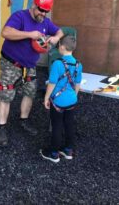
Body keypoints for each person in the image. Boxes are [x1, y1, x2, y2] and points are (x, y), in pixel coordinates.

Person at [0, 0, 64, 147]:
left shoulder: (45, 22)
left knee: (30, 93)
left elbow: (59, 31)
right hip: (11, 64)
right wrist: (29, 34)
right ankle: (1, 128)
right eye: (41, 10)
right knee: (6, 95)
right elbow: (5, 33)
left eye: (46, 11)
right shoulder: (19, 17)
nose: (43, 14)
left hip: (30, 66)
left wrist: (55, 37)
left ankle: (23, 120)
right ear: (34, 5)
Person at [40, 35, 83, 163]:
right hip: (71, 100)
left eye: (59, 45)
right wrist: (74, 96)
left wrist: (46, 98)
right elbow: (77, 83)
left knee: (57, 125)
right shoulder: (78, 64)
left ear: (62, 47)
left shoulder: (57, 64)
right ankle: (68, 150)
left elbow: (52, 83)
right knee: (69, 124)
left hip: (58, 101)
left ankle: (54, 153)